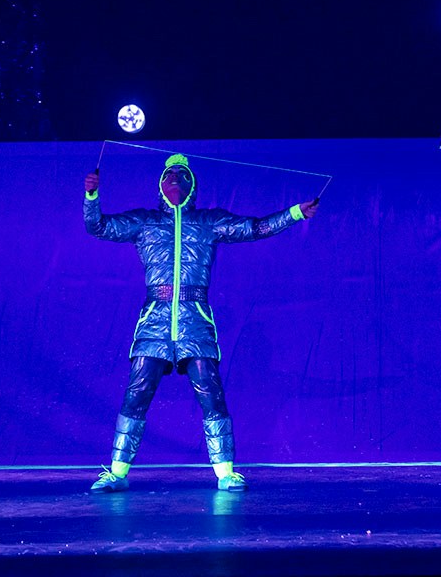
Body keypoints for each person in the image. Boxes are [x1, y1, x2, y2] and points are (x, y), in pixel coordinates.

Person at [82, 153, 318, 492]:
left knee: (211, 393)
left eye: (182, 175)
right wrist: (92, 196)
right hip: (155, 322)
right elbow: (98, 226)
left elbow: (255, 228)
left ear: (193, 185)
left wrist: (295, 212)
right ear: (160, 186)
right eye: (169, 175)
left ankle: (225, 473)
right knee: (137, 394)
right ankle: (117, 473)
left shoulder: (208, 222)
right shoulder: (145, 222)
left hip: (195, 322)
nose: (175, 179)